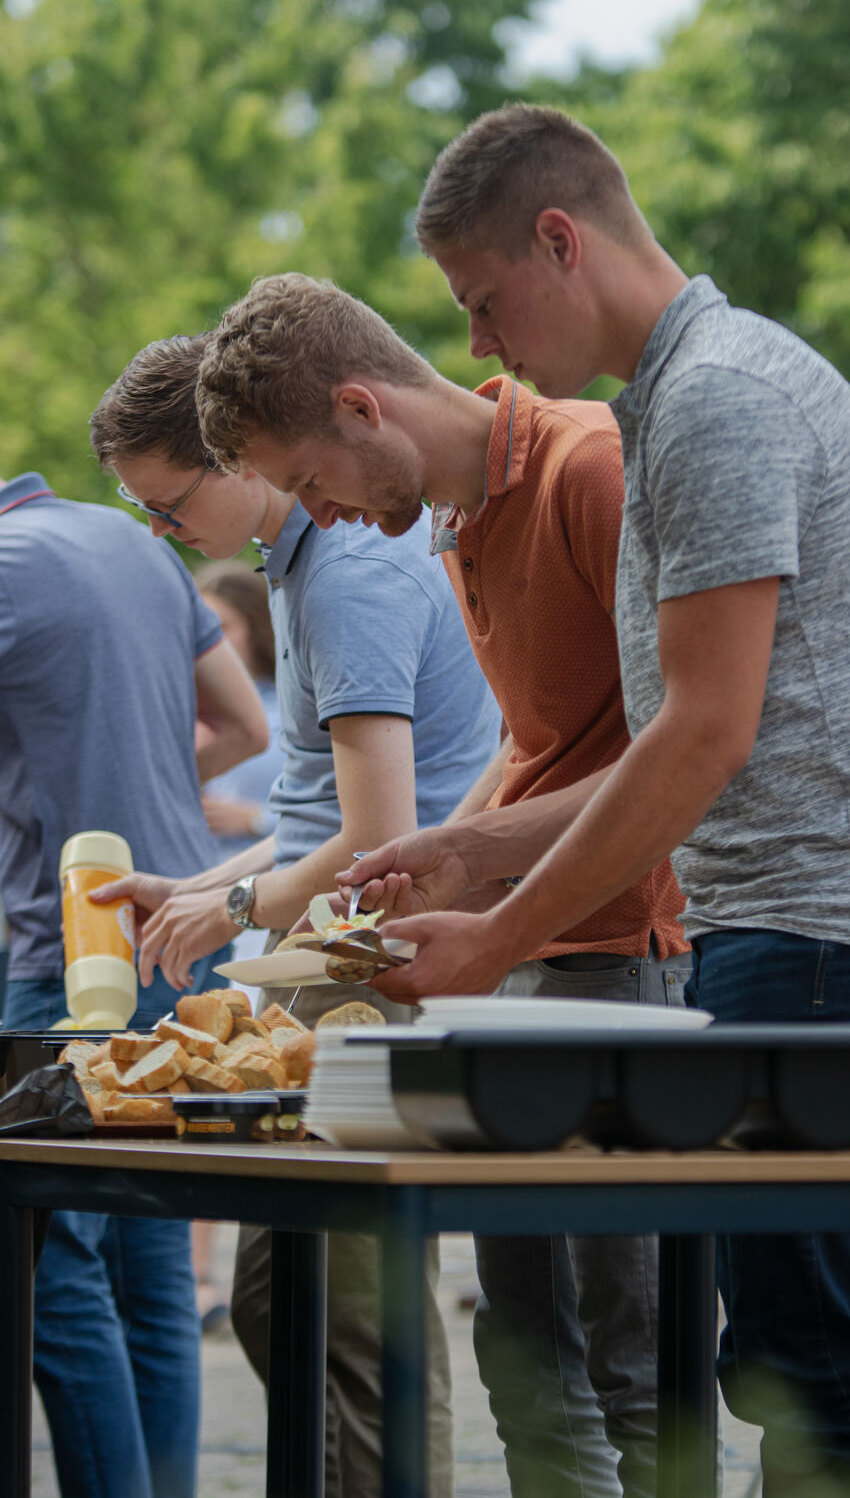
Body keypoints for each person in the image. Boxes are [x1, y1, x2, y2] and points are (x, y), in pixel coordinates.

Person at [325, 104, 850, 1496]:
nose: (478, 344)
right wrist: (470, 850)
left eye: (483, 301)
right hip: (800, 930)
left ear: (560, 241)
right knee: (784, 1364)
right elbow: (670, 742)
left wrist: (496, 942)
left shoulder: (719, 400)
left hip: (830, 931)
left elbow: (703, 738)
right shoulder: (684, 397)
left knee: (813, 1358)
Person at [193, 270, 692, 1497]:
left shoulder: (587, 468)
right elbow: (535, 743)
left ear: (362, 410)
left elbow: (682, 750)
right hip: (513, 960)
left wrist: (478, 876)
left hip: (620, 954)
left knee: (630, 1365)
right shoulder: (457, 519)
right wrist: (446, 856)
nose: (319, 516)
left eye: (309, 483)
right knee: (524, 1357)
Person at [88, 333, 503, 1498]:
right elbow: (325, 811)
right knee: (286, 1297)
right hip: (333, 948)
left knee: (350, 1312)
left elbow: (376, 841)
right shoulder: (302, 558)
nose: (160, 533)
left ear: (236, 459)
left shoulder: (349, 574)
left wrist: (230, 905)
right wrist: (200, 888)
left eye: (169, 505)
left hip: (369, 957)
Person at [0, 469, 268, 1498]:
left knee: (47, 1269)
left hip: (74, 956)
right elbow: (242, 728)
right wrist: (139, 793)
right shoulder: (130, 540)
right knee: (151, 1277)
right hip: (185, 933)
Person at [195, 560, 286, 1333]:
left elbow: (330, 816)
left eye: (220, 626)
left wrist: (249, 823)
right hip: (210, 905)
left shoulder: (285, 709)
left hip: (265, 913)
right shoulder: (199, 709)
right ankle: (196, 1273)